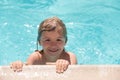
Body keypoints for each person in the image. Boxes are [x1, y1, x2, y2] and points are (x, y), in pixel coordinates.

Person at [10, 16, 77, 73]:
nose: (53, 45)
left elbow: (75, 75)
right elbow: (25, 74)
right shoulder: (35, 58)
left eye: (58, 40)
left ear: (65, 41)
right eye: (47, 40)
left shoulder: (70, 57)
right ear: (39, 42)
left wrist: (67, 65)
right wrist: (18, 65)